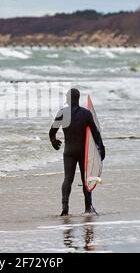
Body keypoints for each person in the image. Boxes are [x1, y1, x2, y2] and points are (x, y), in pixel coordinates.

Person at [49, 88, 105, 216]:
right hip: (83, 151)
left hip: (69, 151)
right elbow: (96, 134)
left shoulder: (62, 113)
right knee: (86, 179)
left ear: (67, 99)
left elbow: (52, 132)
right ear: (78, 98)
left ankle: (65, 208)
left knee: (68, 179)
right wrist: (101, 148)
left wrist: (54, 141)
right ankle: (87, 208)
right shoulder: (86, 114)